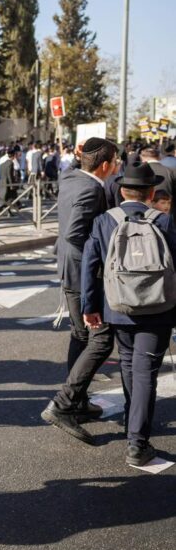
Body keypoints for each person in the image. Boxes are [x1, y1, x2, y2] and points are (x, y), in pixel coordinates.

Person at [80, 162, 176, 466]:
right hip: (158, 307)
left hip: (118, 306)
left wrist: (89, 306)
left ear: (122, 191)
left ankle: (132, 425)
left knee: (128, 364)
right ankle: (137, 442)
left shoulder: (104, 221)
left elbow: (89, 265)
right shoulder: (164, 220)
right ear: (151, 192)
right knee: (146, 371)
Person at [41, 137, 118, 442]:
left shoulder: (71, 176)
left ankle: (78, 401)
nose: (117, 167)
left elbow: (76, 164)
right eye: (115, 162)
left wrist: (78, 155)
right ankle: (64, 404)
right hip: (80, 272)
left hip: (67, 266)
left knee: (80, 335)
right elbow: (76, 233)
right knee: (101, 338)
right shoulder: (92, 188)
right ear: (104, 166)